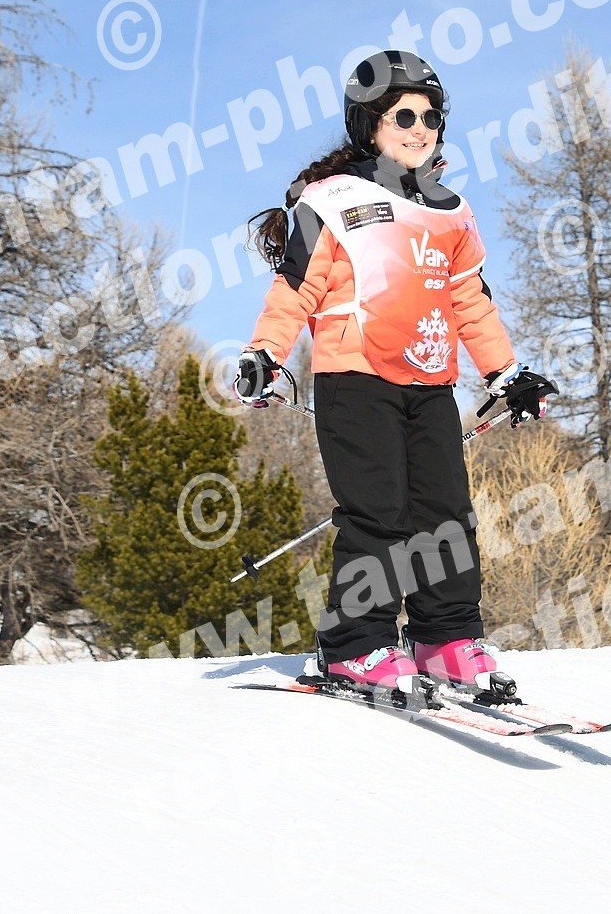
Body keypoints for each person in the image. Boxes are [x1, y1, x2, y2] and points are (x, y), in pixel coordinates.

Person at [233, 50, 555, 697]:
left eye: (431, 117)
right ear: (368, 123)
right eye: (404, 116)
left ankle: (445, 638)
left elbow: (470, 299)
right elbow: (296, 287)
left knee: (445, 513)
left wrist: (506, 374)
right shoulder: (331, 199)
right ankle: (355, 645)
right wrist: (265, 353)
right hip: (355, 379)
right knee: (377, 511)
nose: (420, 128)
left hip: (431, 383)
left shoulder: (451, 210)